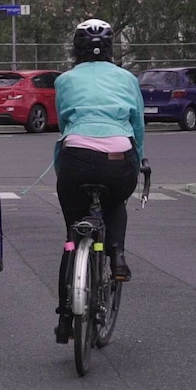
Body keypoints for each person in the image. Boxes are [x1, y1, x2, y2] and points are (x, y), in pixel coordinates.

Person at [52, 18, 145, 344]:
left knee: (70, 235)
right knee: (116, 202)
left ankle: (65, 316)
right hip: (119, 160)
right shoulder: (127, 78)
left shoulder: (64, 80)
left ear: (75, 49)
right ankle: (116, 256)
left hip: (76, 160)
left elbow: (64, 122)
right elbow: (138, 125)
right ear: (111, 48)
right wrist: (140, 159)